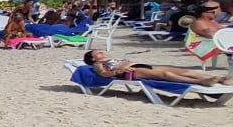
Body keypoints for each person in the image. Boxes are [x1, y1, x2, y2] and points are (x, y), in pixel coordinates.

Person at [84, 50, 232, 86]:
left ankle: (216, 79)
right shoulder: (97, 64)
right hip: (132, 71)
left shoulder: (107, 58)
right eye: (97, 52)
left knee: (182, 70)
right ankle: (202, 82)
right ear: (92, 58)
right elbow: (103, 74)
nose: (100, 52)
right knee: (165, 74)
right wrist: (118, 71)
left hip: (139, 65)